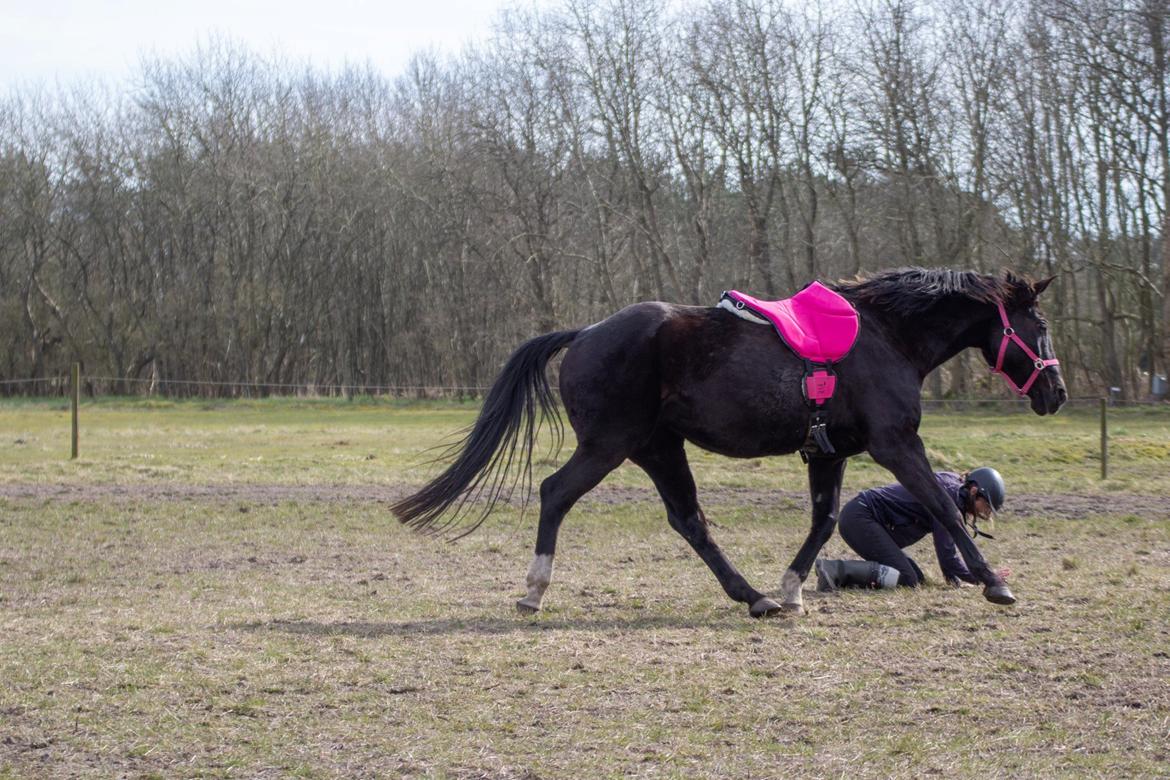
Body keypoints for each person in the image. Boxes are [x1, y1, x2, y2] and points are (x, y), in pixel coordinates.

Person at [814, 467, 1009, 591]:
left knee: (917, 578)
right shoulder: (948, 499)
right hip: (860, 518)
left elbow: (947, 553)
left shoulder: (953, 489)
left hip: (862, 517)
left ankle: (837, 573)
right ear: (974, 491)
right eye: (986, 505)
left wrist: (955, 581)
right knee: (907, 578)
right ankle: (833, 570)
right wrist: (985, 578)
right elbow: (948, 556)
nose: (985, 512)